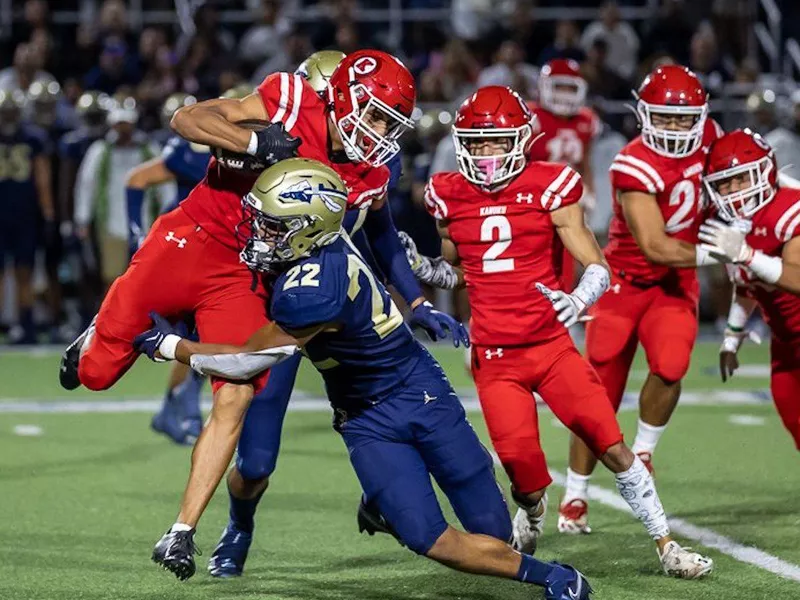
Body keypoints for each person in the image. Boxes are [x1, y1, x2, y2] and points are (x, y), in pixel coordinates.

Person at [133, 158, 593, 600]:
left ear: (307, 229)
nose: (259, 232)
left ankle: (388, 506)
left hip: (418, 394)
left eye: (274, 224)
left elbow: (243, 362)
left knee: (492, 535)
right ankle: (556, 578)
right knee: (428, 537)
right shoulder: (325, 242)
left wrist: (169, 346)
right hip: (367, 417)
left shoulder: (313, 287)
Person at [403, 85, 713, 578]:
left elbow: (596, 263)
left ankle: (666, 544)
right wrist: (421, 266)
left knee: (611, 444)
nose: (485, 152)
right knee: (524, 475)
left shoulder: (550, 184)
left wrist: (578, 298)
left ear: (521, 140)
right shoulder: (447, 192)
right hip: (497, 358)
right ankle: (534, 511)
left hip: (550, 347)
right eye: (477, 141)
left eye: (495, 141)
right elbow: (460, 270)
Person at [204, 50, 457, 579]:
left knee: (393, 401)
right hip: (282, 299)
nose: (374, 129)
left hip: (346, 300)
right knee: (256, 461)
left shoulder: (377, 158)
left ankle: (383, 497)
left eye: (386, 120)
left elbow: (381, 233)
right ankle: (240, 524)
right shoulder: (285, 127)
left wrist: (416, 302)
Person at [560, 65, 724, 535]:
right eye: (665, 117)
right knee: (599, 396)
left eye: (683, 117)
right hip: (626, 282)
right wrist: (729, 250)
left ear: (700, 116)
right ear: (645, 115)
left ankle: (645, 451)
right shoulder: (632, 162)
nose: (675, 126)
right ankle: (575, 493)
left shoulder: (712, 138)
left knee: (672, 365)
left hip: (675, 286)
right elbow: (656, 246)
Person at [124, 91, 216, 446]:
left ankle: (172, 408)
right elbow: (136, 179)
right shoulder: (187, 152)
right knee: (196, 335)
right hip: (190, 251)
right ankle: (184, 408)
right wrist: (136, 234)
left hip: (217, 251)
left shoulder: (228, 151)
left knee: (205, 334)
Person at [699, 129, 800, 450]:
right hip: (785, 343)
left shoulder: (789, 208)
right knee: (791, 410)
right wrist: (731, 337)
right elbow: (747, 286)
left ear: (765, 172)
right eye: (724, 184)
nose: (732, 191)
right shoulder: (732, 225)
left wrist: (748, 255)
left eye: (741, 179)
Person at [73, 97, 167, 292]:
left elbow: (165, 186)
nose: (123, 129)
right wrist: (82, 219)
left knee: (143, 278)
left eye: (126, 124)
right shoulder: (100, 151)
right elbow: (86, 185)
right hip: (110, 225)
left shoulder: (149, 150)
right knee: (111, 279)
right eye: (119, 124)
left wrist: (168, 214)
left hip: (144, 224)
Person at [528, 59, 601, 292]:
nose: (565, 93)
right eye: (559, 86)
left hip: (567, 197)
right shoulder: (531, 116)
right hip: (535, 196)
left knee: (569, 254)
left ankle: (564, 307)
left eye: (570, 87)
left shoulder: (587, 119)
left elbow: (585, 160)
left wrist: (589, 190)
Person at [0, 88, 54, 344]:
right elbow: (43, 179)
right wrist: (48, 213)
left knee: (24, 272)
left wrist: (47, 212)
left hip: (23, 213)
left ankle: (25, 324)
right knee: (20, 273)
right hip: (19, 214)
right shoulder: (32, 137)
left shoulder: (33, 138)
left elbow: (41, 178)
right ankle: (22, 325)